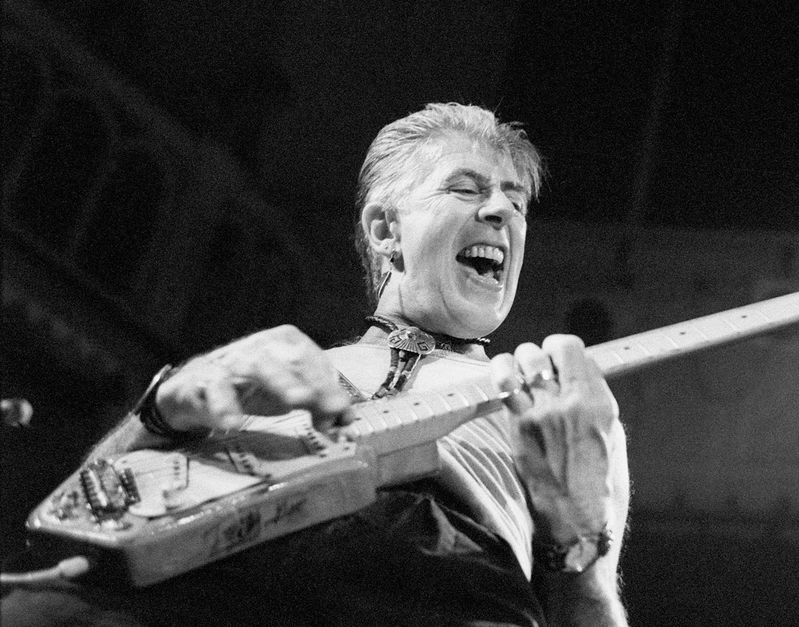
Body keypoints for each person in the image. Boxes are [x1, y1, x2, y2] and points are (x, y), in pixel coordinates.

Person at [2, 103, 630, 626]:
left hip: (449, 591)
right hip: (224, 579)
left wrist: (582, 546)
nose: (502, 212)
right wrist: (163, 410)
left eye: (515, 202)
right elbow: (77, 530)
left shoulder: (563, 410)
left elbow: (592, 609)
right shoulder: (270, 374)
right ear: (385, 230)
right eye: (466, 189)